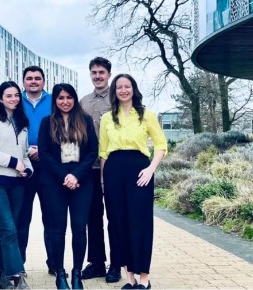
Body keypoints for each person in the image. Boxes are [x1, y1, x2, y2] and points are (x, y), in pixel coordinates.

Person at [99, 74, 167, 289]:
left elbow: (161, 145)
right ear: (114, 91)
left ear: (133, 89)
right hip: (113, 170)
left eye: (127, 86)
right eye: (119, 87)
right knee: (119, 223)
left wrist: (150, 169)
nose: (123, 90)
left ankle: (144, 278)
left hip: (140, 170)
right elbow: (103, 152)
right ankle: (129, 277)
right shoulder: (107, 118)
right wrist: (103, 180)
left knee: (140, 222)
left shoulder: (147, 115)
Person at [38, 83, 98, 289]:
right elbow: (44, 154)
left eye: (69, 97)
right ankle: (60, 275)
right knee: (57, 229)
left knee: (80, 228)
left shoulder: (85, 121)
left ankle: (77, 274)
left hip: (82, 182)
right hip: (54, 182)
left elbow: (92, 151)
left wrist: (76, 175)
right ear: (55, 100)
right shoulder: (47, 123)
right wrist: (65, 176)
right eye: (61, 98)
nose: (65, 101)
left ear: (74, 98)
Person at [0, 81, 32, 290]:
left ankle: (3, 278)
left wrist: (28, 168)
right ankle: (18, 276)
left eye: (16, 95)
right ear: (0, 99)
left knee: (11, 231)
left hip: (18, 183)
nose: (14, 99)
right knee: (8, 229)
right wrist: (12, 162)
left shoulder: (22, 122)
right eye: (8, 96)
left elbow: (24, 154)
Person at [79, 57, 121, 283]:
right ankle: (96, 263)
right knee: (91, 218)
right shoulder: (83, 102)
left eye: (101, 72)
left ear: (109, 74)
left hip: (112, 168)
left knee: (114, 217)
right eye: (94, 72)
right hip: (90, 168)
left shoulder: (118, 100)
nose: (97, 76)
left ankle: (116, 264)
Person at [17, 65, 55, 274]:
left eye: (37, 78)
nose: (33, 81)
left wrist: (44, 148)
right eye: (29, 78)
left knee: (51, 218)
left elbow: (61, 128)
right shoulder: (15, 100)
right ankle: (18, 265)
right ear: (24, 82)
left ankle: (54, 263)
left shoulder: (53, 101)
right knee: (22, 218)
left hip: (48, 165)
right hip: (23, 167)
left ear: (43, 81)